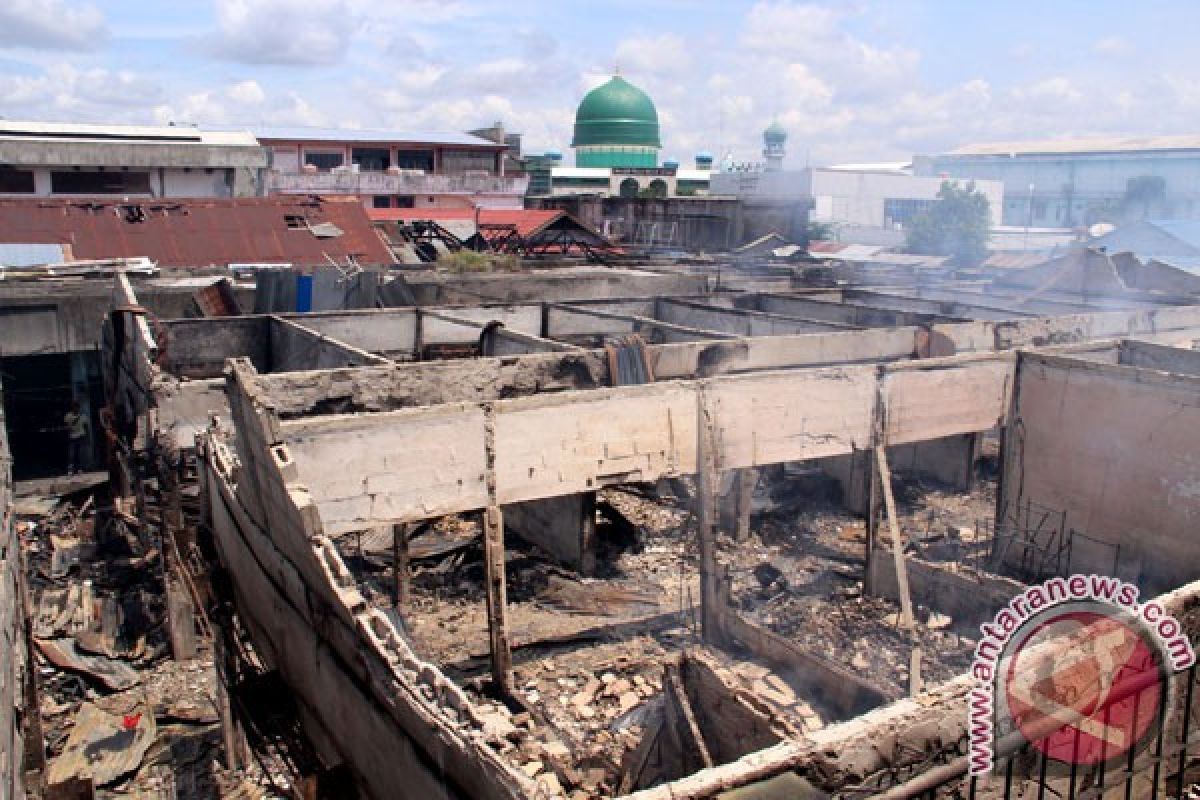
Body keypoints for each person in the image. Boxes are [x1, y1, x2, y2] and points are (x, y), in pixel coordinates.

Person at [64, 400, 89, 475]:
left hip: (81, 436)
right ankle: (70, 470)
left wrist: (87, 436)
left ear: (78, 407)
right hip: (72, 436)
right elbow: (66, 426)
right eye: (74, 407)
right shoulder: (68, 416)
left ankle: (79, 469)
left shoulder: (83, 416)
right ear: (72, 407)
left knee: (80, 454)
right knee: (71, 454)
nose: (76, 409)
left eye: (77, 407)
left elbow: (86, 426)